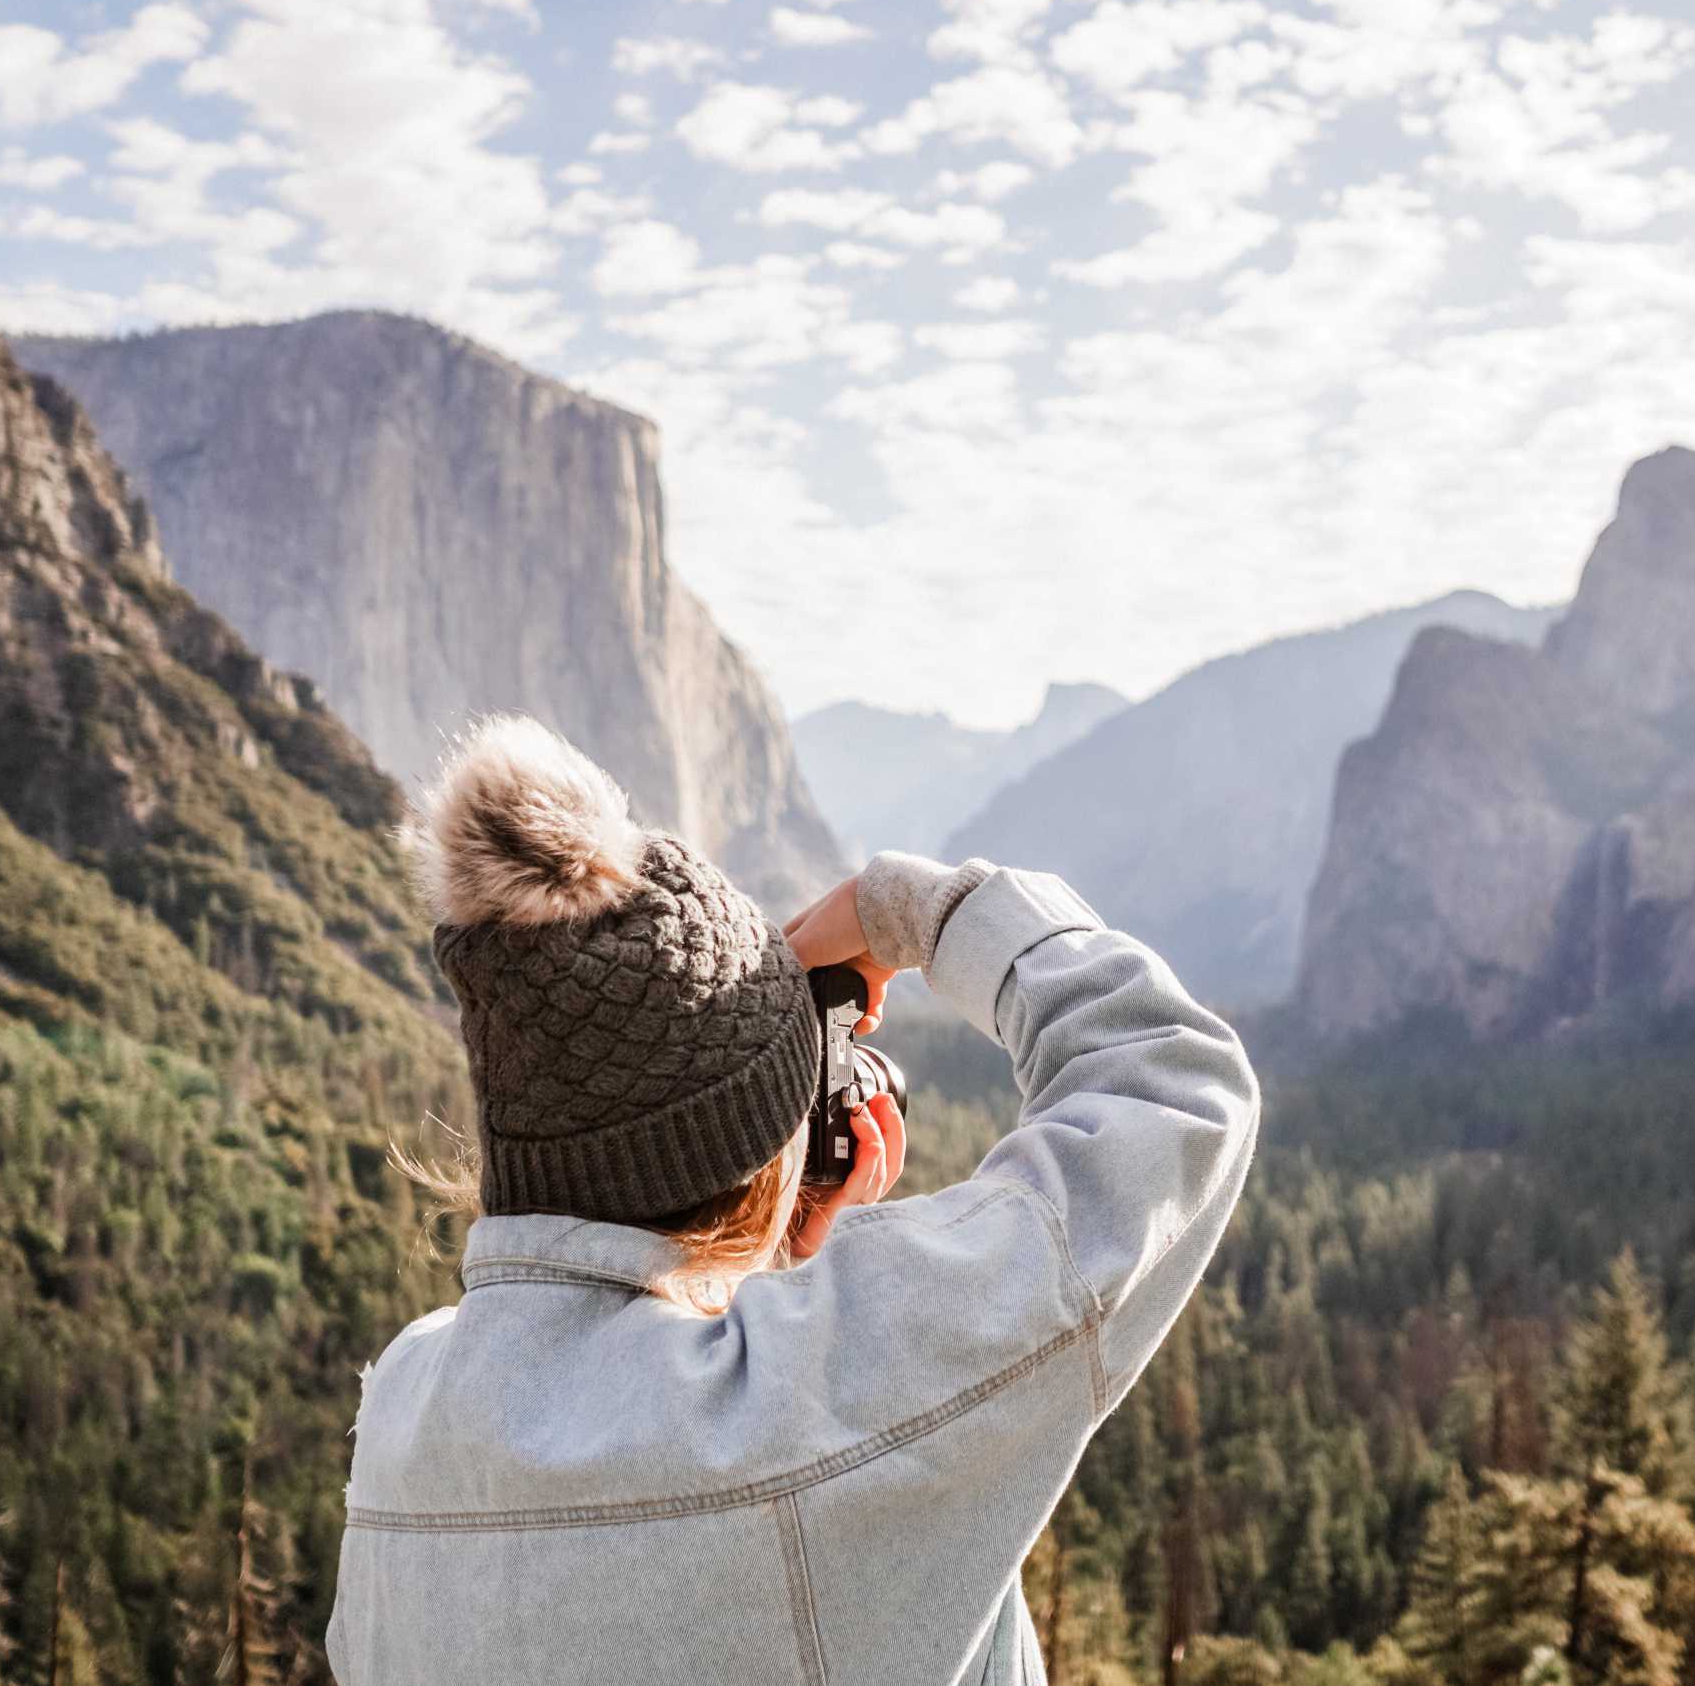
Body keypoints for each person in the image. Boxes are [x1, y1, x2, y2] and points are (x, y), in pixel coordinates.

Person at [325, 715, 1260, 1684]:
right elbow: (1172, 1085)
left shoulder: (404, 1412)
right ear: (759, 1160)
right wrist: (923, 909)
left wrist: (767, 1266)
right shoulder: (817, 1400)